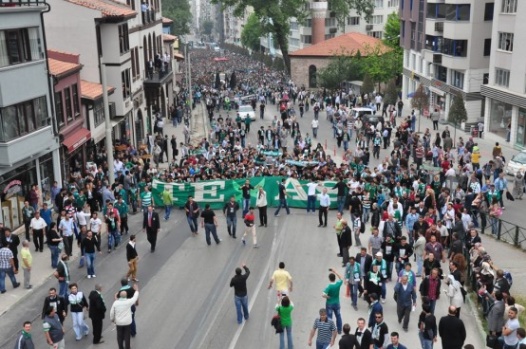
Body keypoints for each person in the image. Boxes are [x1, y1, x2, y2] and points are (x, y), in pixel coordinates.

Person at [110, 283, 139, 349]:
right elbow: (135, 297)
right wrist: (136, 290)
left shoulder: (116, 303)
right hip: (127, 322)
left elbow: (112, 312)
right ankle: (127, 347)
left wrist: (112, 319)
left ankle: (120, 347)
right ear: (126, 296)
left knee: (119, 336)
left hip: (119, 323)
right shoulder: (128, 302)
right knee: (127, 336)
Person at [323, 267, 343, 334]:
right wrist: (335, 271)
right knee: (338, 316)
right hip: (337, 303)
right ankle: (339, 330)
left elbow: (323, 294)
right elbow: (341, 278)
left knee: (329, 317)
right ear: (334, 278)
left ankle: (330, 330)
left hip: (329, 304)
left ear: (329, 279)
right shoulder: (338, 284)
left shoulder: (329, 286)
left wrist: (328, 297)